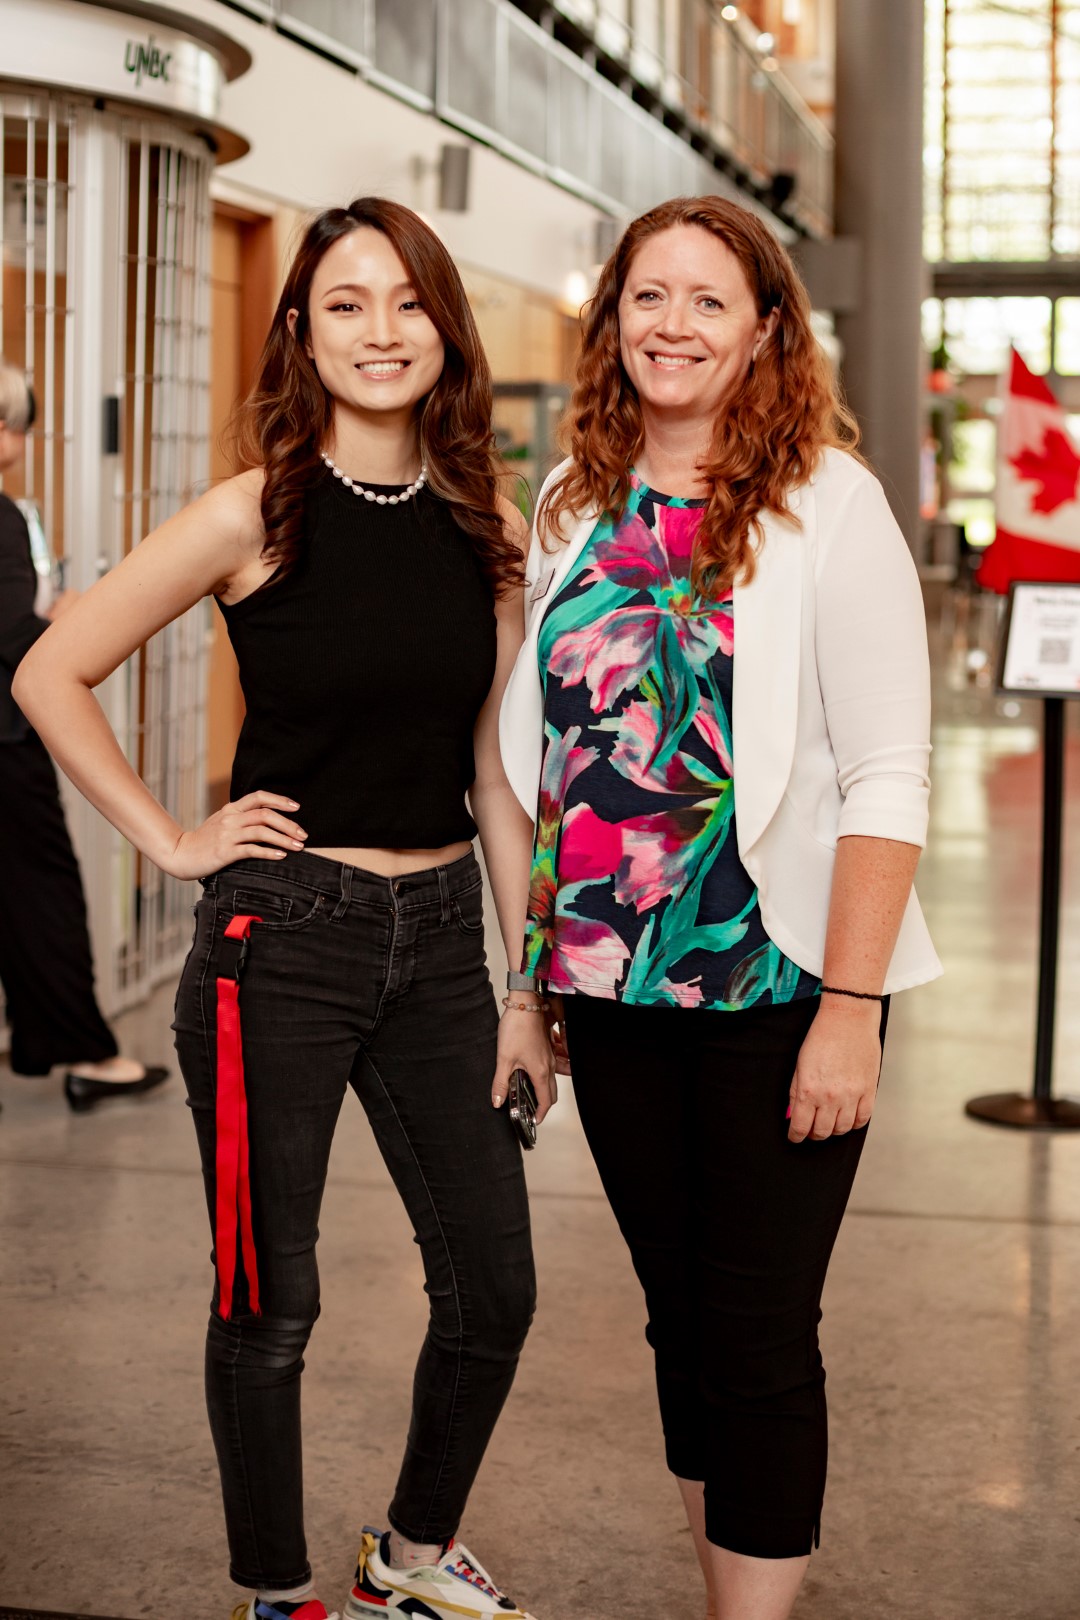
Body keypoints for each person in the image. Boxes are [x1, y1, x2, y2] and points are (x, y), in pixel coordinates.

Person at [15, 198, 555, 1620]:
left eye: (408, 302)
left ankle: (412, 1558)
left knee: (495, 1289)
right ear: (302, 334)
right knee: (271, 1302)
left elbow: (497, 779)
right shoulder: (251, 511)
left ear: (446, 328)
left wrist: (527, 987)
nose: (382, 332)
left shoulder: (489, 527)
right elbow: (49, 671)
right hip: (282, 946)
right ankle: (278, 1596)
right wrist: (173, 840)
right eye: (346, 305)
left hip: (443, 947)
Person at [498, 195, 941, 1620]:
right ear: (612, 319)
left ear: (763, 331)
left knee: (756, 1337)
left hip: (779, 987)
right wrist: (528, 988)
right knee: (678, 1325)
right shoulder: (573, 505)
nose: (672, 325)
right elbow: (547, 771)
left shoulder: (829, 503)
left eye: (707, 300)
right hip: (610, 991)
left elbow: (886, 770)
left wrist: (853, 1010)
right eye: (648, 296)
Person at [0, 359, 169, 1110]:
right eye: (18, 425)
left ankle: (63, 1042)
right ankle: (85, 1054)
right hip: (6, 743)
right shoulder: (3, 516)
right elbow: (15, 636)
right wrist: (68, 620)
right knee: (45, 897)